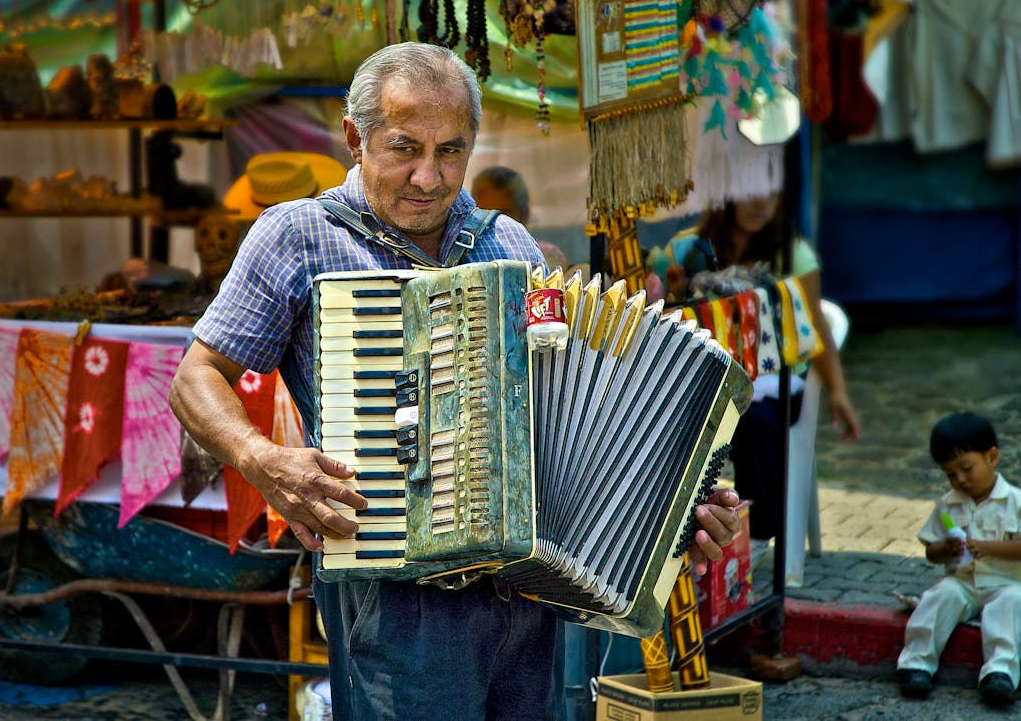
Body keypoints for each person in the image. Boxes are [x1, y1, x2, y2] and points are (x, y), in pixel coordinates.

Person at [169, 41, 742, 721]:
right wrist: (262, 459)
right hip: (394, 598)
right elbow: (195, 377)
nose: (428, 177)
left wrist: (680, 512)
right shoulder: (297, 236)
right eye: (403, 148)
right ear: (354, 137)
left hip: (529, 593)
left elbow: (573, 420)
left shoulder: (512, 247)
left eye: (451, 151)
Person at [665, 193, 862, 557]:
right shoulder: (687, 249)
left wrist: (838, 391)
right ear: (728, 194)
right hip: (710, 380)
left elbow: (816, 325)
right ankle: (674, 537)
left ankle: (757, 537)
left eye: (771, 196)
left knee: (754, 422)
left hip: (777, 382)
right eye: (750, 194)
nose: (760, 205)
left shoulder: (793, 254)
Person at [896, 412, 1021, 706]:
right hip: (962, 581)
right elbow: (930, 551)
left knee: (1012, 604)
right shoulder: (947, 503)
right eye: (951, 473)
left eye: (966, 468)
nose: (960, 479)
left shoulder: (1015, 501)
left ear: (992, 457)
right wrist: (945, 548)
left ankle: (1000, 672)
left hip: (1006, 582)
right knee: (938, 596)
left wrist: (989, 548)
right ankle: (916, 663)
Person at [471, 165, 571, 272]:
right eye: (484, 215)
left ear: (525, 214)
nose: (495, 224)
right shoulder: (464, 258)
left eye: (505, 215)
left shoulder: (545, 258)